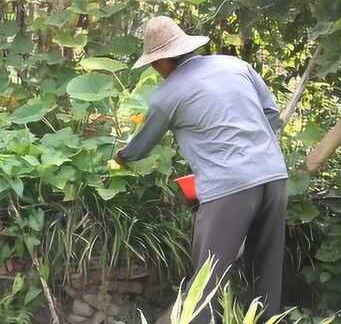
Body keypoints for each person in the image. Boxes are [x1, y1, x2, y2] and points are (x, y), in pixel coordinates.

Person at [114, 16, 288, 324]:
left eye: (155, 65)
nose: (156, 71)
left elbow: (138, 148)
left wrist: (119, 158)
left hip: (229, 189)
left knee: (208, 282)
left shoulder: (168, 95)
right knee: (267, 271)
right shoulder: (236, 66)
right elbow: (272, 115)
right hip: (273, 177)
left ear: (164, 61)